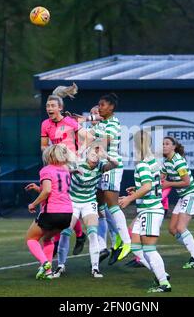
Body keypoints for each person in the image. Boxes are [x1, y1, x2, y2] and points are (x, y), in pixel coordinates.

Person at [52, 144, 119, 279]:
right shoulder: (77, 163)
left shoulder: (101, 166)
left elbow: (115, 164)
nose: (95, 155)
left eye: (97, 153)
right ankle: (60, 265)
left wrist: (106, 155)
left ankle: (95, 268)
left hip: (89, 203)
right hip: (72, 202)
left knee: (93, 234)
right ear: (87, 154)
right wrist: (72, 172)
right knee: (65, 233)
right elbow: (60, 172)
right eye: (92, 153)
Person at [40, 90, 93, 255]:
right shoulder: (45, 124)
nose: (49, 108)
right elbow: (43, 145)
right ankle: (77, 235)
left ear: (60, 108)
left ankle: (70, 237)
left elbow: (89, 137)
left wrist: (78, 154)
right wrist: (50, 153)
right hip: (54, 164)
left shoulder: (69, 122)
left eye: (53, 105)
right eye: (48, 105)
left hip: (70, 165)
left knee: (65, 203)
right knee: (55, 201)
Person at [119, 130, 171, 293]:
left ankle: (163, 282)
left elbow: (148, 186)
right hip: (149, 210)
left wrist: (129, 199)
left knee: (149, 248)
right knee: (135, 246)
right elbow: (153, 184)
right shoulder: (153, 162)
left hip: (150, 210)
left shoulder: (142, 164)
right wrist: (136, 189)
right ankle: (161, 274)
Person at [90, 93, 131, 264]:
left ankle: (126, 241)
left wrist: (87, 141)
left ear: (111, 107)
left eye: (102, 105)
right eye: (98, 105)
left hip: (111, 167)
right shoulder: (102, 123)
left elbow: (102, 143)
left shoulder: (113, 124)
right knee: (98, 206)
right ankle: (105, 245)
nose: (99, 107)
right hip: (101, 168)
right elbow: (87, 128)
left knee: (112, 206)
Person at [25, 144, 74, 280]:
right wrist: (37, 188)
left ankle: (45, 263)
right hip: (67, 213)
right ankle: (48, 273)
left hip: (52, 211)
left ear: (49, 156)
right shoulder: (65, 170)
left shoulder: (46, 170)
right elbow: (57, 190)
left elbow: (47, 191)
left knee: (31, 238)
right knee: (47, 239)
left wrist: (33, 204)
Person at [161, 136, 194, 269]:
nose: (163, 146)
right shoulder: (165, 162)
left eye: (167, 144)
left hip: (192, 195)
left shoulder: (178, 161)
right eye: (162, 144)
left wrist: (169, 183)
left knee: (180, 228)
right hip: (183, 197)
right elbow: (160, 180)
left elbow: (187, 182)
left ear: (174, 147)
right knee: (173, 229)